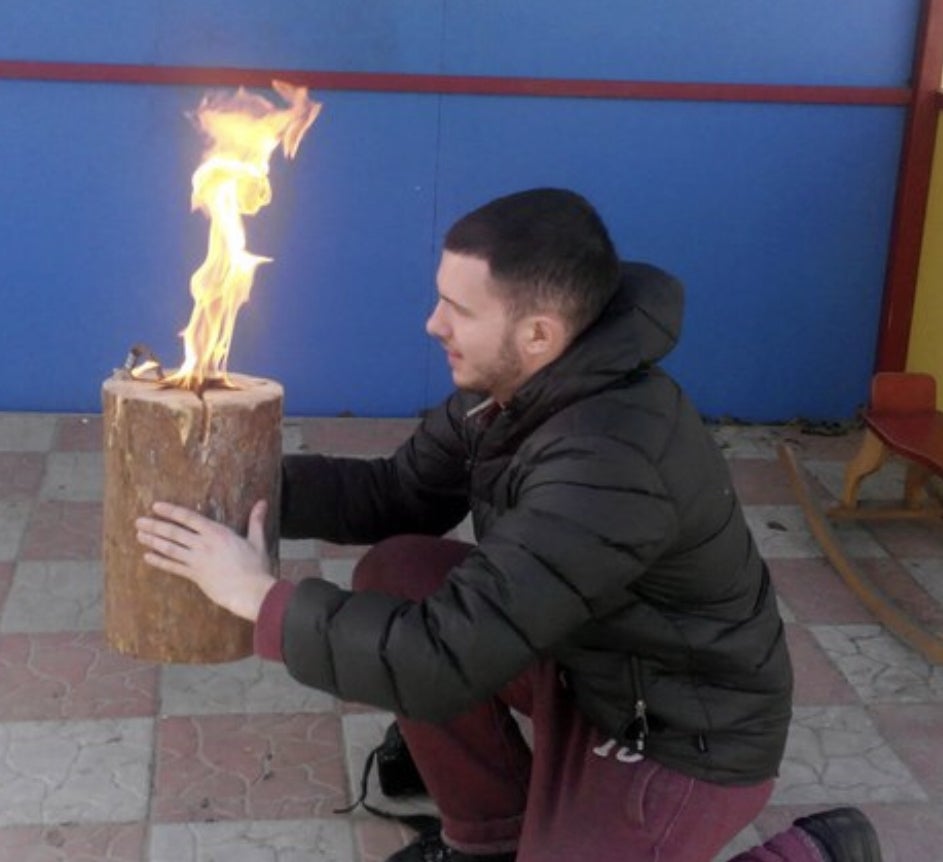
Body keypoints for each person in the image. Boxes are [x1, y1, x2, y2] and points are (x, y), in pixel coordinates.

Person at [136, 188, 883, 862]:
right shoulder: (508, 387)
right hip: (581, 653)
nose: (432, 324)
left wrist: (259, 598)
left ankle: (815, 850)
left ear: (538, 334)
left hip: (679, 727)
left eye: (457, 310)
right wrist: (245, 489)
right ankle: (489, 837)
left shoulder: (610, 461)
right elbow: (400, 493)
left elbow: (439, 659)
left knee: (430, 643)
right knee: (398, 572)